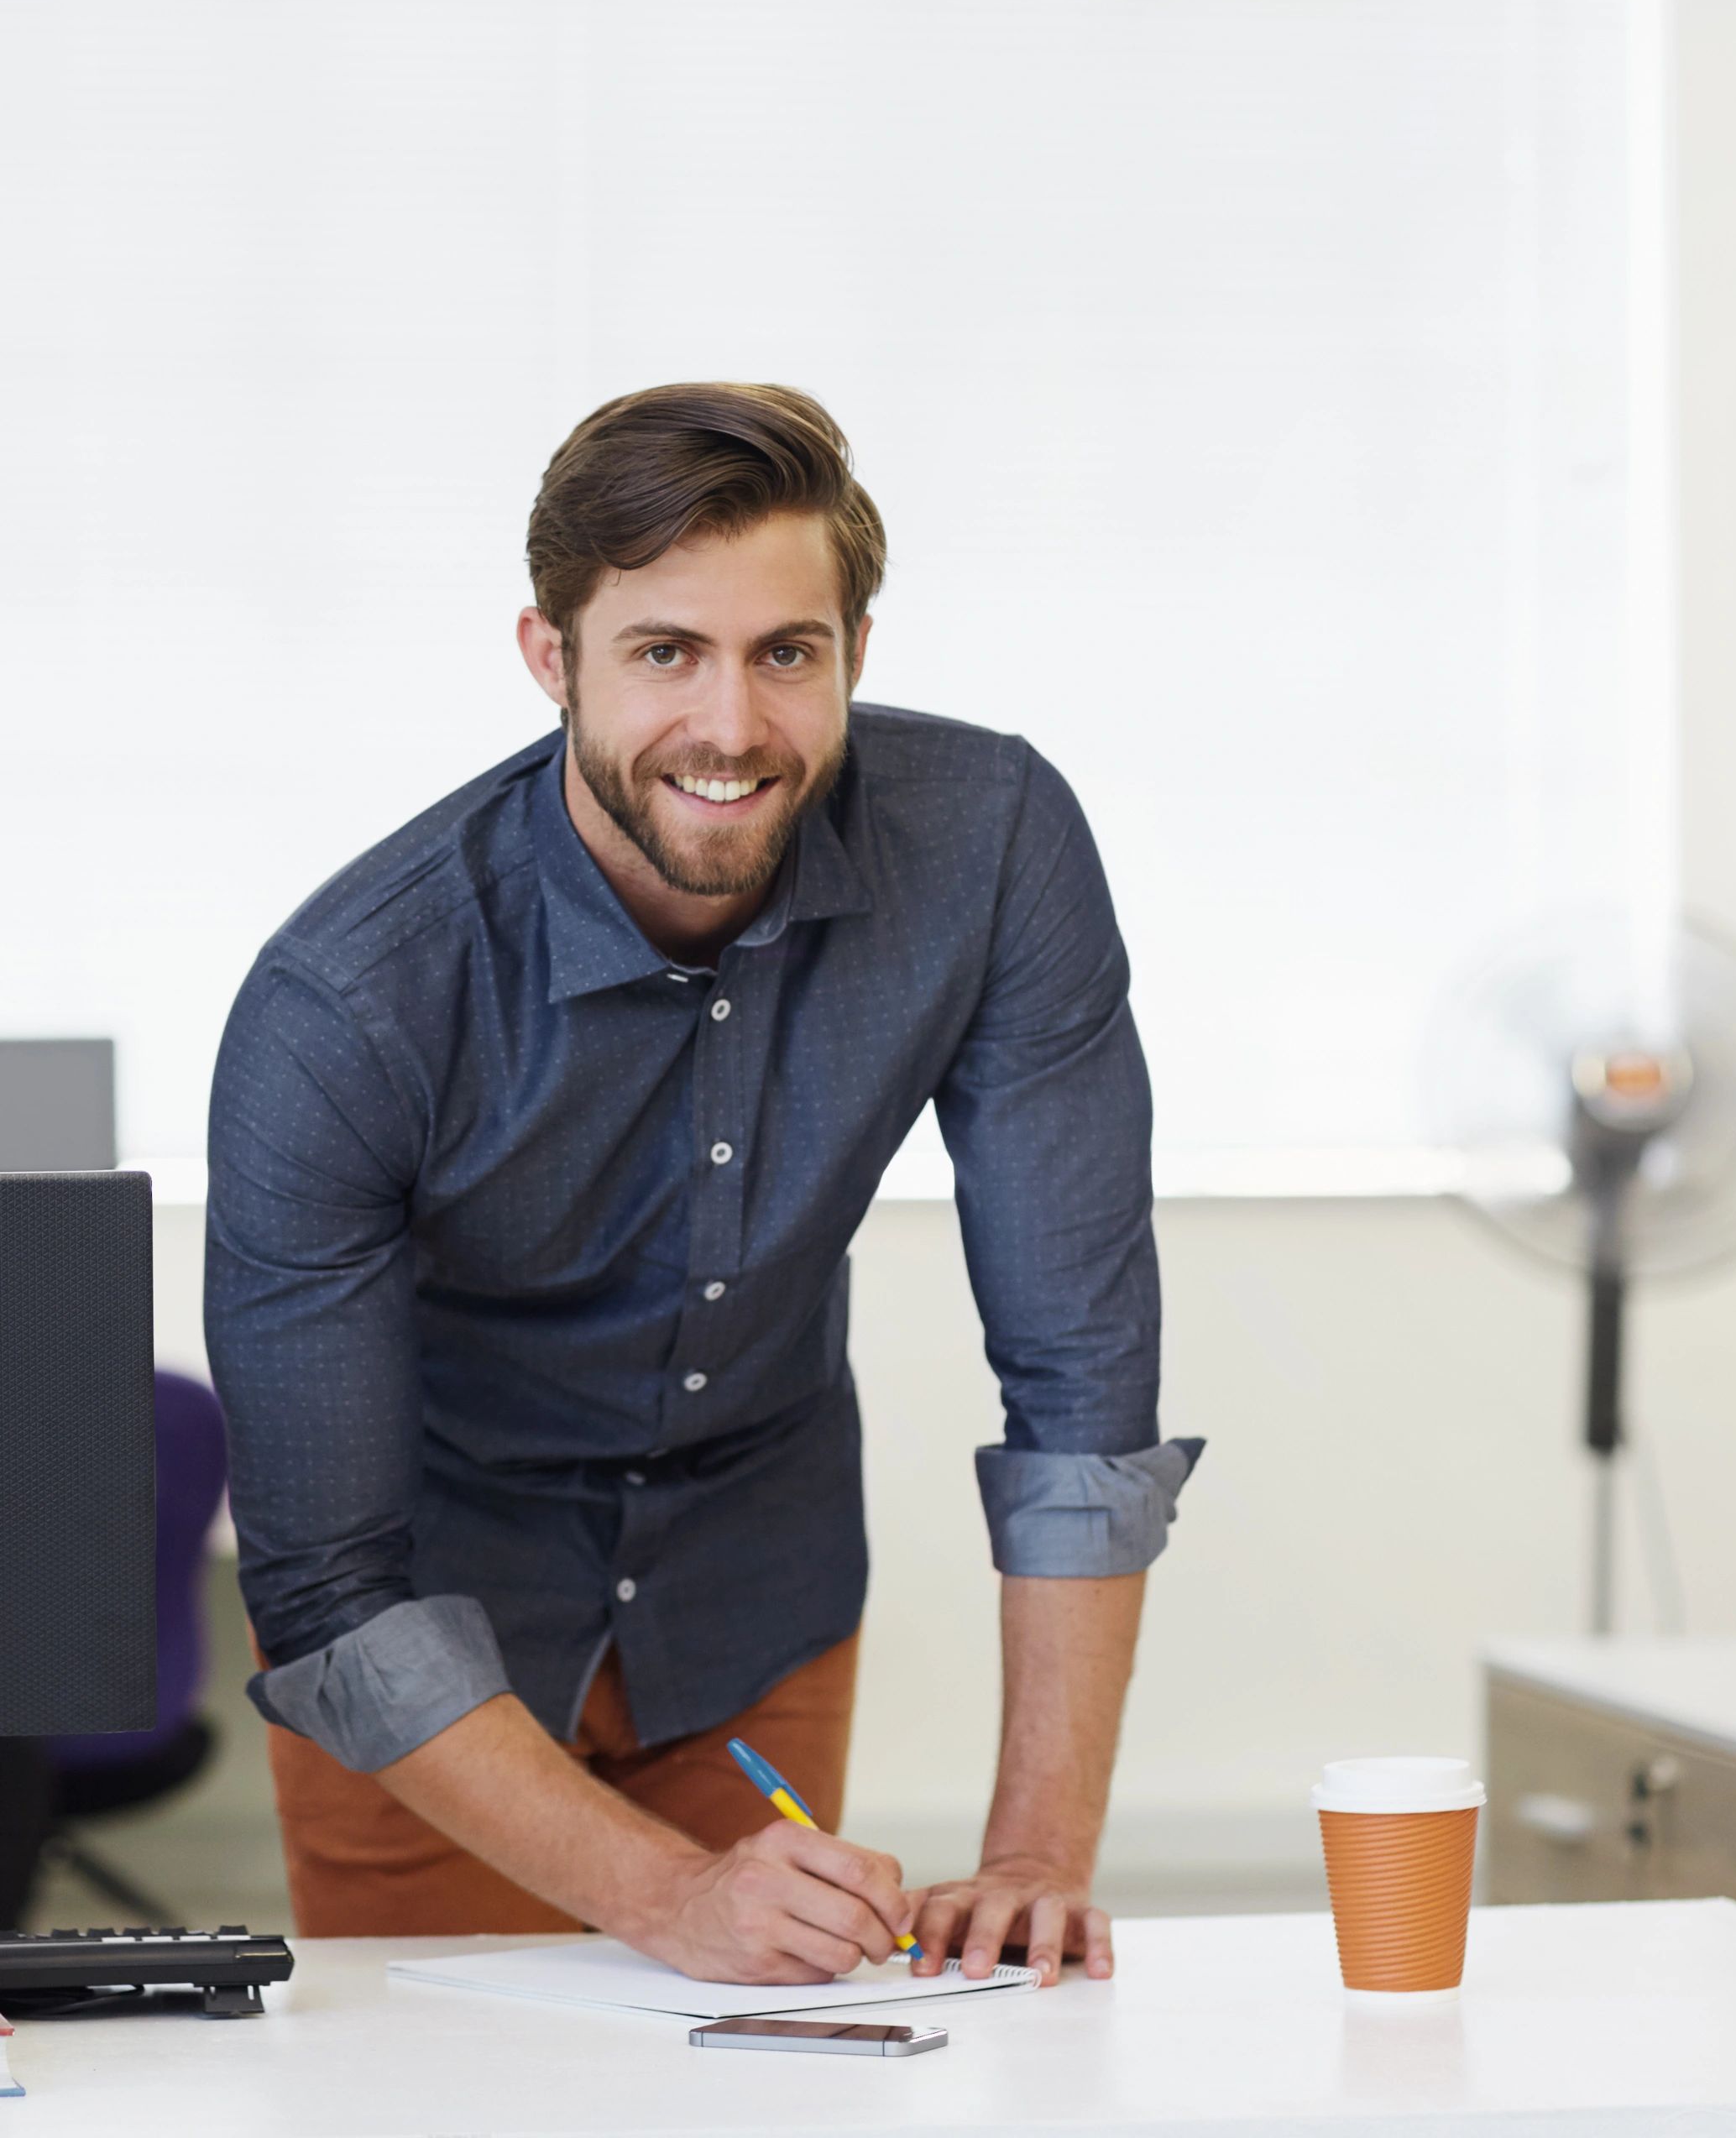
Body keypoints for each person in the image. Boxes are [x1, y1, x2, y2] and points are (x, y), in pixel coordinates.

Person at [205, 382, 1200, 1989]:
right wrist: (667, 1898)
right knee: (443, 2098)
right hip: (430, 1662)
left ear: (855, 651)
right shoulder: (349, 1005)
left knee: (766, 2082)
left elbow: (1082, 1383)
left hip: (756, 1589)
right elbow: (327, 1583)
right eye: (666, 651)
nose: (732, 727)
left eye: (786, 653)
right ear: (553, 658)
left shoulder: (994, 845)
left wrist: (1033, 1856)